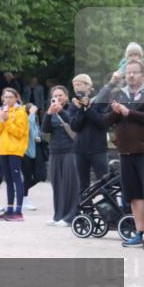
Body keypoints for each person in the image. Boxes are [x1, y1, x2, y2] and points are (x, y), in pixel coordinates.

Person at [106, 58, 144, 248]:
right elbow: (105, 121)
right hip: (126, 152)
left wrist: (130, 113)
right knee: (134, 195)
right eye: (128, 72)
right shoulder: (119, 94)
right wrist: (115, 111)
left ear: (142, 74)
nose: (130, 75)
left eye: (135, 72)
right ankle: (139, 233)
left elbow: (135, 116)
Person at [41, 86, 80, 227]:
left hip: (71, 150)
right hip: (55, 151)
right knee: (57, 185)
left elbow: (74, 124)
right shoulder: (51, 110)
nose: (57, 98)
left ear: (66, 96)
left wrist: (61, 111)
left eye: (60, 95)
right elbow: (45, 129)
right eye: (55, 95)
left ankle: (70, 216)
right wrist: (48, 113)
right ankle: (58, 215)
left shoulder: (72, 108)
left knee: (70, 184)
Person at [0, 87, 29, 222]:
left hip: (15, 150)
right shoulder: (3, 111)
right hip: (3, 149)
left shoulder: (21, 112)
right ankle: (9, 209)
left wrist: (7, 121)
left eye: (10, 97)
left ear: (16, 98)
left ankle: (18, 211)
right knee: (8, 180)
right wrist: (1, 119)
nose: (7, 100)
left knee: (16, 179)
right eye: (5, 97)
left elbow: (19, 132)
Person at [70, 73, 110, 192]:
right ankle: (85, 209)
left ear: (88, 86)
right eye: (74, 85)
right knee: (82, 185)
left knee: (105, 183)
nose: (76, 87)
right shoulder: (74, 104)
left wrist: (87, 107)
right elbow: (75, 126)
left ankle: (109, 210)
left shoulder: (100, 100)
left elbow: (102, 122)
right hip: (80, 149)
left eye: (79, 84)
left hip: (98, 149)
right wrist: (81, 109)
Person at [20, 103, 42, 212]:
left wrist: (39, 137)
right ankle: (24, 197)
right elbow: (30, 132)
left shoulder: (35, 119)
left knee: (40, 175)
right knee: (27, 176)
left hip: (35, 151)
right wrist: (32, 115)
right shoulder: (27, 119)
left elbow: (37, 133)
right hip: (25, 152)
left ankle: (20, 191)